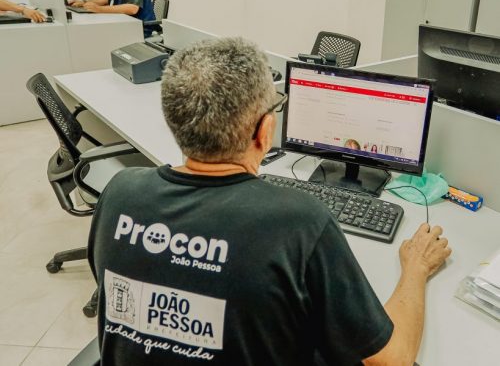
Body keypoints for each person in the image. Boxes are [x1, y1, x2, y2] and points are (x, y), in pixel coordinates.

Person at [88, 37, 451, 365]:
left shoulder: (119, 192)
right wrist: (416, 268)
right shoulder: (298, 223)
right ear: (265, 131)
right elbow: (391, 360)